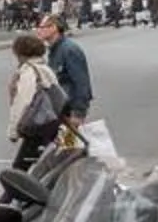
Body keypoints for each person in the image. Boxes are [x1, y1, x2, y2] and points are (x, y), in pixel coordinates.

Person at [39, 12, 120, 168]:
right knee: (65, 149)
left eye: (42, 27)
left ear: (54, 28)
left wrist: (79, 112)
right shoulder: (55, 50)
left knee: (67, 150)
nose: (39, 30)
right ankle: (70, 175)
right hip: (61, 112)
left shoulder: (69, 50)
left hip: (69, 113)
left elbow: (81, 81)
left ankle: (85, 173)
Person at [5, 33, 59, 172]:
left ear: (21, 53)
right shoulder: (45, 69)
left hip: (37, 126)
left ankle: (15, 193)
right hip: (51, 123)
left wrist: (13, 131)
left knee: (18, 169)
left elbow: (23, 102)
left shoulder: (29, 72)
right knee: (44, 167)